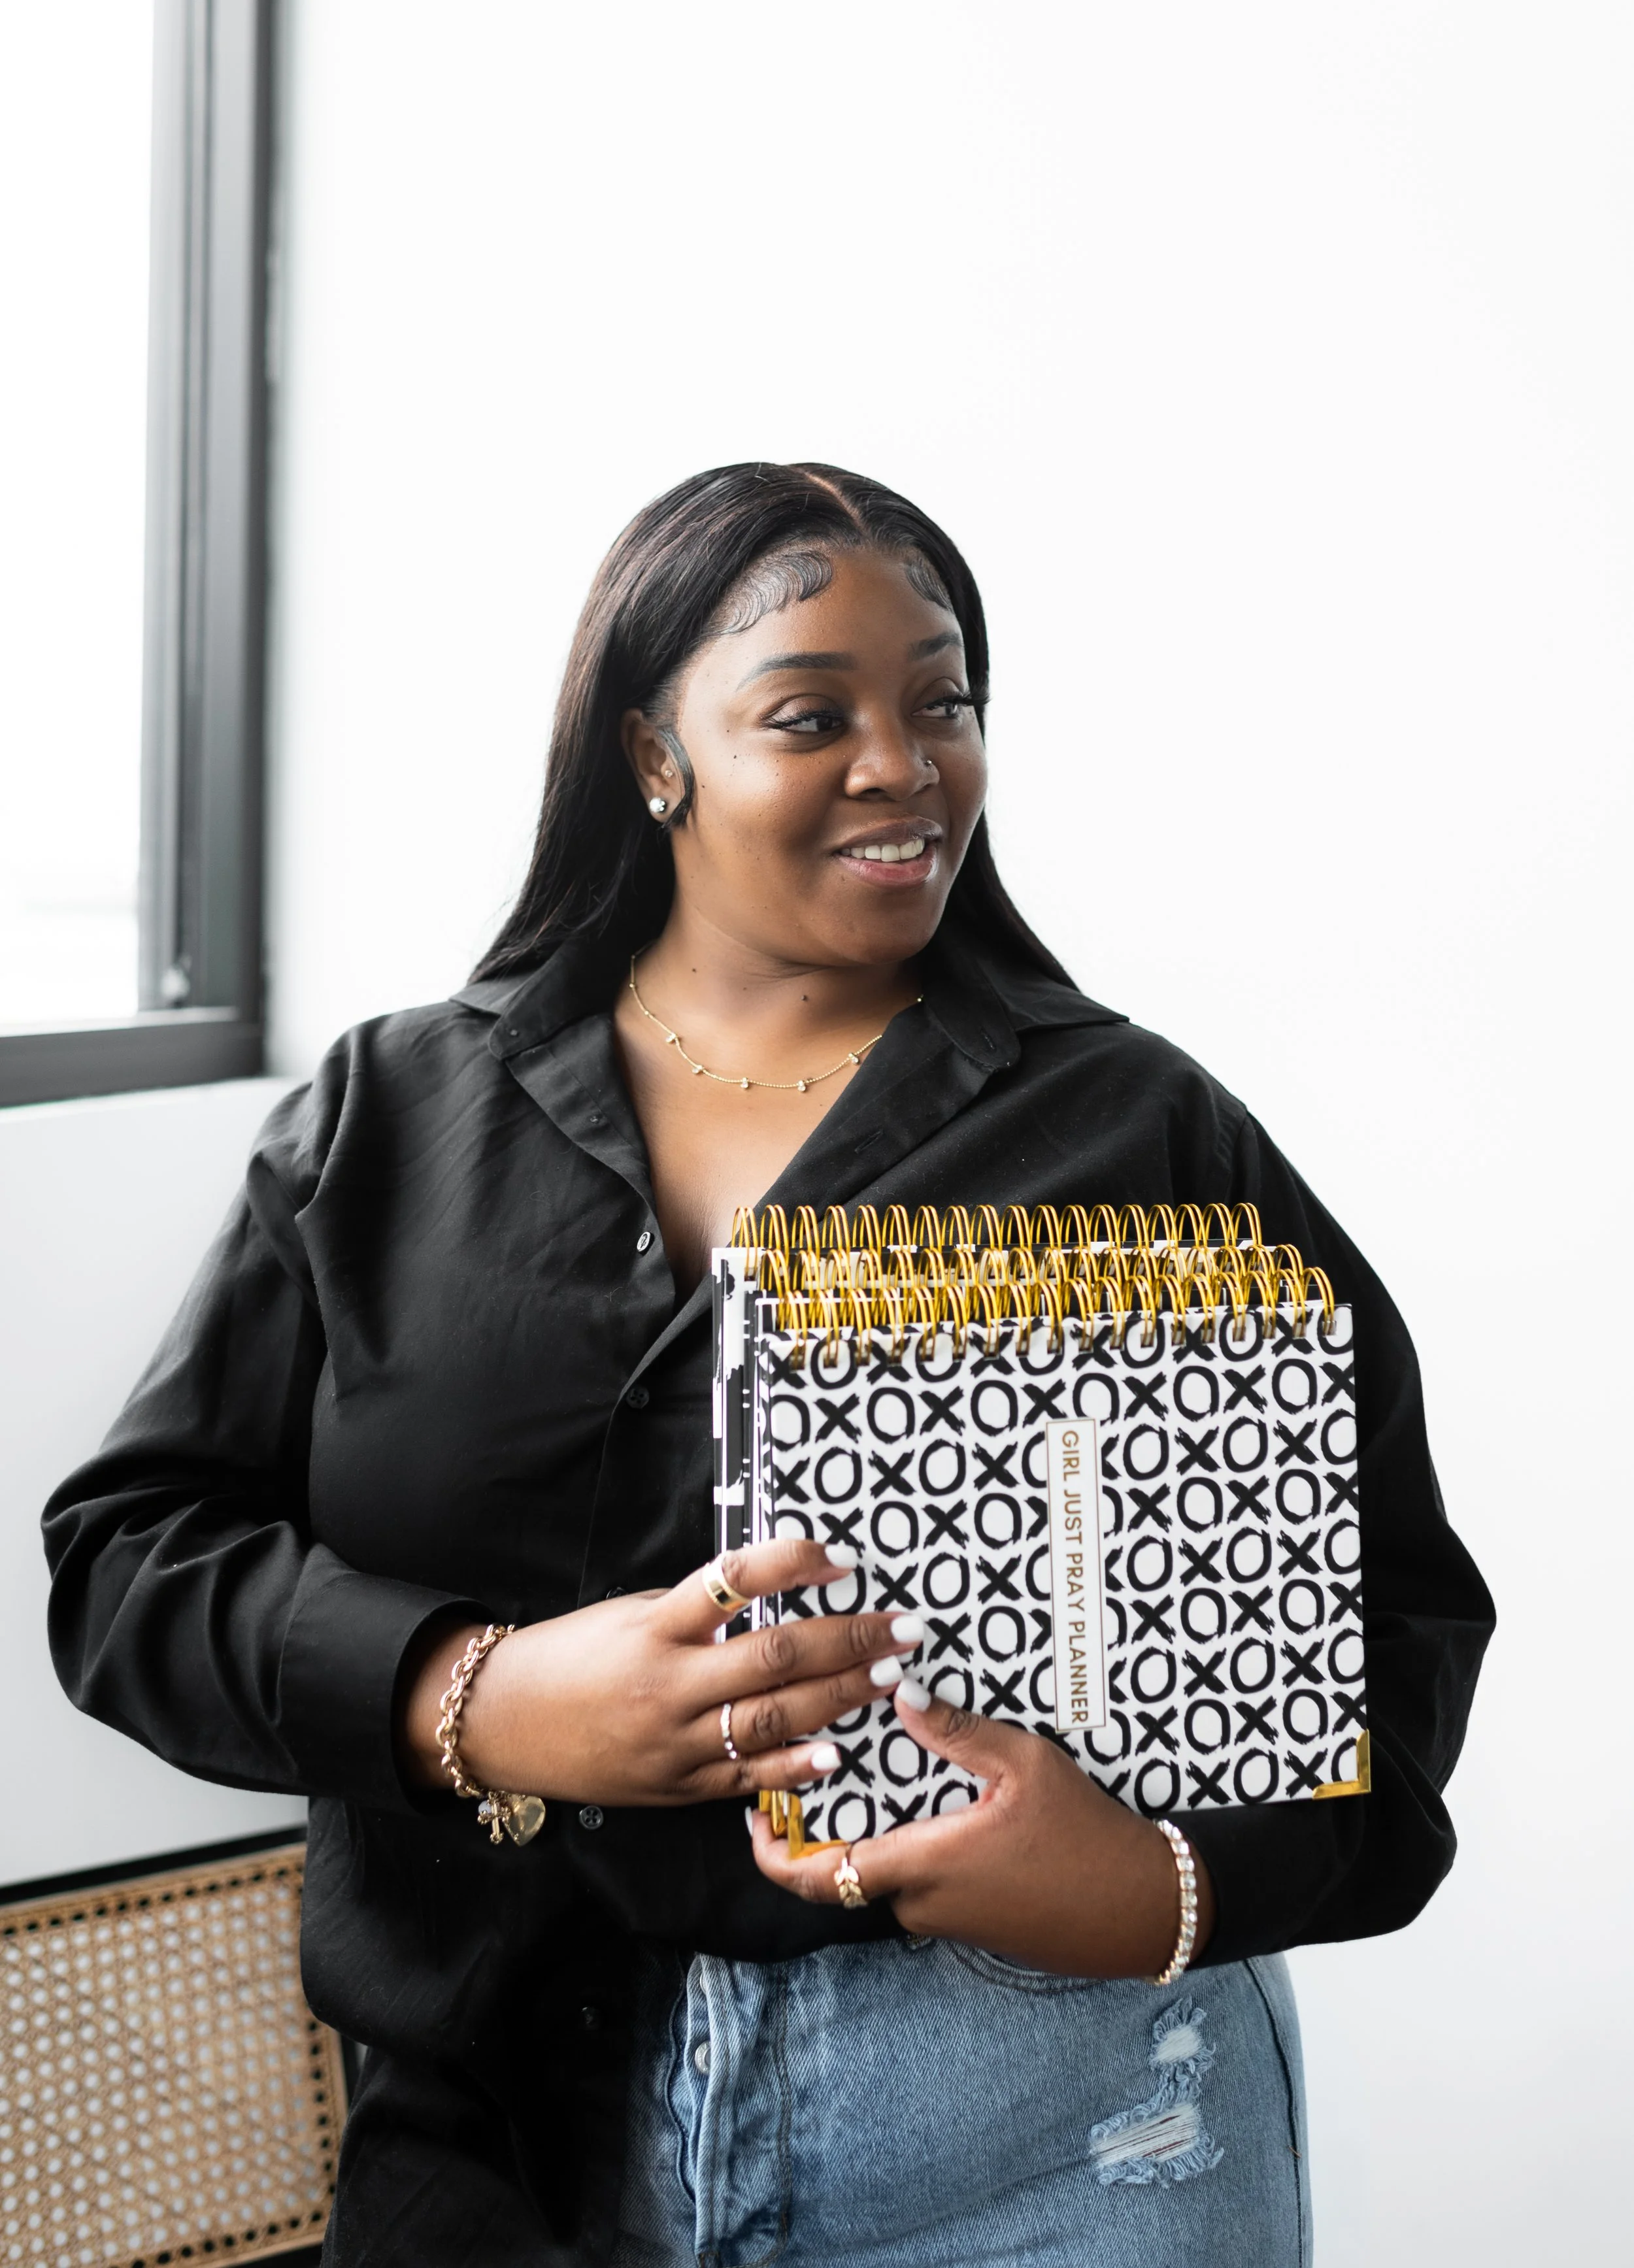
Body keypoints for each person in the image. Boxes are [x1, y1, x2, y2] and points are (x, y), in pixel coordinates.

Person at [44, 462, 1493, 2267]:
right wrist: (473, 1695)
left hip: (1063, 2125)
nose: (905, 766)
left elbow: (1393, 1612)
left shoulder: (1140, 1128)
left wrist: (1165, 1882)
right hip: (494, 2127)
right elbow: (126, 1562)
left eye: (944, 703)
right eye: (812, 715)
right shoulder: (389, 1113)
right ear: (652, 753)